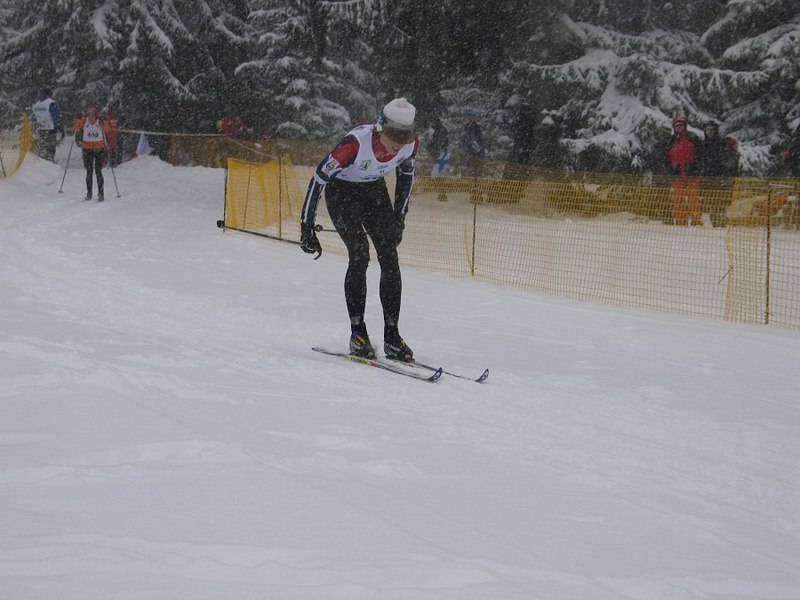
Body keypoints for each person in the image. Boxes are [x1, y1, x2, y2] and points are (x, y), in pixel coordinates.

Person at [299, 97, 419, 361]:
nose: (398, 143)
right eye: (394, 135)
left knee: (390, 258)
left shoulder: (409, 146)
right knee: (360, 254)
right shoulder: (355, 144)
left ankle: (392, 336)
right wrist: (306, 227)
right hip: (342, 193)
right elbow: (318, 180)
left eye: (405, 136)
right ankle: (358, 333)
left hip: (373, 191)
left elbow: (407, 176)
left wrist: (399, 218)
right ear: (381, 127)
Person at [664, 115, 702, 226]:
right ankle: (680, 222)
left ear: (685, 126)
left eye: (681, 125)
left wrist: (697, 166)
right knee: (678, 200)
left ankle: (696, 221)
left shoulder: (692, 137)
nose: (679, 127)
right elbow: (666, 157)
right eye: (677, 125)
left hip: (692, 173)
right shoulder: (671, 140)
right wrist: (670, 169)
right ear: (674, 127)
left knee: (694, 199)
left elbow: (701, 154)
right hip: (677, 174)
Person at [700, 120, 739, 227]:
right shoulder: (704, 144)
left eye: (711, 130)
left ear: (715, 131)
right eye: (707, 130)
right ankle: (715, 221)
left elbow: (727, 159)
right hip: (708, 176)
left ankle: (720, 221)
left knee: (720, 200)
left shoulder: (721, 143)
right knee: (710, 200)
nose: (709, 132)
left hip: (720, 176)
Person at [72, 107, 113, 201]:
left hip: (99, 149)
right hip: (87, 150)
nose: (90, 118)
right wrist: (77, 120)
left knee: (98, 171)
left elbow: (108, 130)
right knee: (89, 172)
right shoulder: (84, 121)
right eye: (89, 115)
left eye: (92, 115)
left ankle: (101, 193)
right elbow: (75, 126)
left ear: (96, 116)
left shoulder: (100, 122)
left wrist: (104, 122)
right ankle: (89, 193)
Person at [30, 87, 64, 162]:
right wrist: (60, 128)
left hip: (40, 129)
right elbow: (56, 117)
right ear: (49, 94)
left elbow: (33, 118)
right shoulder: (51, 103)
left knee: (41, 148)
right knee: (50, 149)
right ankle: (49, 164)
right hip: (50, 129)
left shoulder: (36, 105)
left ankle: (42, 163)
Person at [461, 108, 485, 203]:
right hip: (471, 155)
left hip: (476, 156)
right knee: (472, 176)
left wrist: (473, 151)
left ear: (470, 118)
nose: (464, 119)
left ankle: (477, 196)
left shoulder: (474, 128)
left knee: (476, 176)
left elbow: (475, 142)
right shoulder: (468, 128)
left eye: (465, 117)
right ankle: (474, 195)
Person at [428, 115, 449, 200]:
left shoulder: (438, 130)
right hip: (439, 152)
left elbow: (438, 142)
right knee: (438, 173)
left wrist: (433, 148)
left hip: (438, 153)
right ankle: (440, 193)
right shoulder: (439, 130)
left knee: (438, 173)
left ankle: (442, 193)